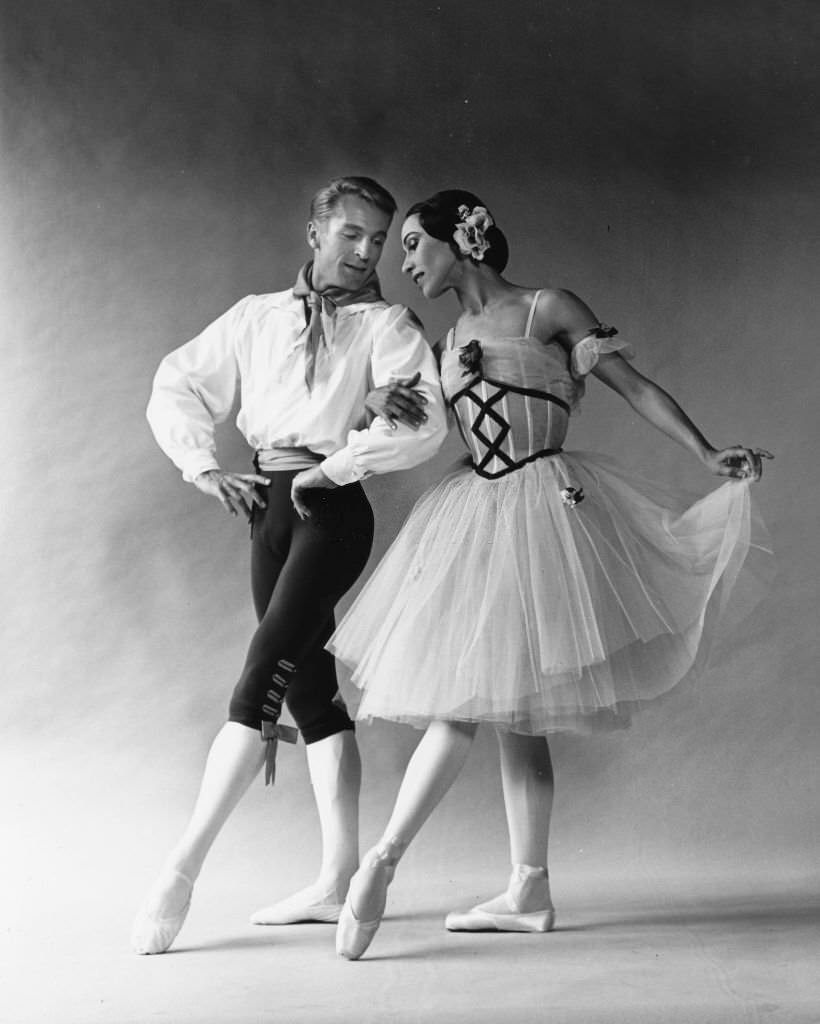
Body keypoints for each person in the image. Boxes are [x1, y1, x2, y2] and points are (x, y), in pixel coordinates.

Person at [327, 189, 773, 960]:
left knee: (495, 706)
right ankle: (517, 887)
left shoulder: (546, 308)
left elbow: (632, 386)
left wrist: (704, 453)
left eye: (412, 246)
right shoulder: (448, 337)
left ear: (460, 240)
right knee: (495, 704)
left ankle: (392, 862)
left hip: (545, 509)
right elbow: (423, 427)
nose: (403, 264)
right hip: (475, 514)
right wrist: (372, 403)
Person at [131, 176, 447, 955]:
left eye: (379, 239)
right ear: (315, 233)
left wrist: (331, 469)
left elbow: (423, 422)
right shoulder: (254, 317)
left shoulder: (389, 325)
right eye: (352, 235)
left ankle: (180, 872)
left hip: (330, 510)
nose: (368, 252)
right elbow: (177, 382)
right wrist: (205, 469)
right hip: (268, 512)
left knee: (258, 675)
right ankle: (336, 877)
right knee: (308, 690)